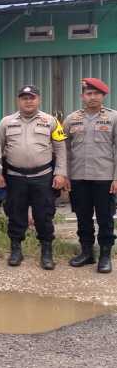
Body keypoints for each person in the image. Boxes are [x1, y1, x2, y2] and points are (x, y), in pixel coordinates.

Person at [0, 85, 68, 270]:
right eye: (24, 98)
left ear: (39, 99)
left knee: (44, 215)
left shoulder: (51, 121)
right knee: (15, 213)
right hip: (14, 177)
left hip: (42, 177)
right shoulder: (6, 122)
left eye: (32, 97)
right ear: (18, 100)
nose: (28, 101)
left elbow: (60, 148)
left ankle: (46, 252)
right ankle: (16, 250)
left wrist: (60, 172)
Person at [63, 78, 117, 274]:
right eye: (89, 93)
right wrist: (64, 174)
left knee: (105, 218)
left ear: (103, 96)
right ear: (82, 96)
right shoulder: (70, 119)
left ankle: (104, 255)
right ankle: (87, 253)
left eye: (97, 94)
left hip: (104, 177)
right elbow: (63, 149)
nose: (92, 97)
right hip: (78, 177)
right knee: (83, 217)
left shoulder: (113, 118)